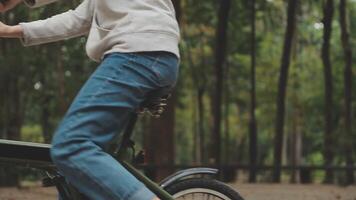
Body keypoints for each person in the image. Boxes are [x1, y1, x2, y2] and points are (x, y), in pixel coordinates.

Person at [0, 0, 180, 199]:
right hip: (149, 53)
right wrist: (9, 30)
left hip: (138, 53)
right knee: (77, 174)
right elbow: (75, 20)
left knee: (72, 146)